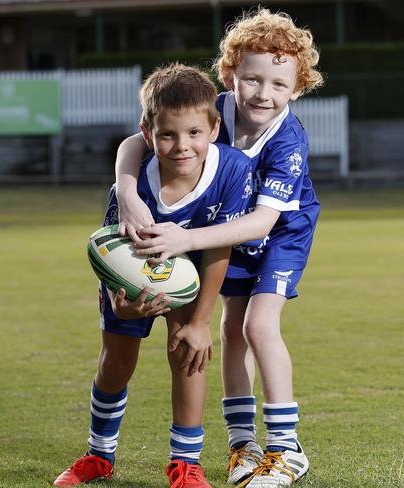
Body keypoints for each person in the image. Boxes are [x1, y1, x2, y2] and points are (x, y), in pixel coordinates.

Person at [113, 8, 324, 487]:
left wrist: (185, 238)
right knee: (230, 330)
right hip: (225, 229)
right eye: (252, 79)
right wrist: (127, 194)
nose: (263, 94)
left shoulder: (288, 141)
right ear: (230, 75)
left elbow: (263, 221)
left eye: (278, 84)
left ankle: (286, 449)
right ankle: (242, 445)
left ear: (298, 87)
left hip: (279, 234)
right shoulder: (213, 112)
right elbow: (133, 143)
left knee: (258, 325)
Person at [53, 64, 253, 487]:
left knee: (188, 357)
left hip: (192, 278)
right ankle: (98, 454)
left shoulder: (233, 170)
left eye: (194, 133)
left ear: (214, 129)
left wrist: (200, 322)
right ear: (148, 133)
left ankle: (185, 464)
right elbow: (110, 252)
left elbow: (220, 246)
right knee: (116, 362)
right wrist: (118, 302)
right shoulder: (131, 189)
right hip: (132, 282)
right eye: (167, 135)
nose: (182, 146)